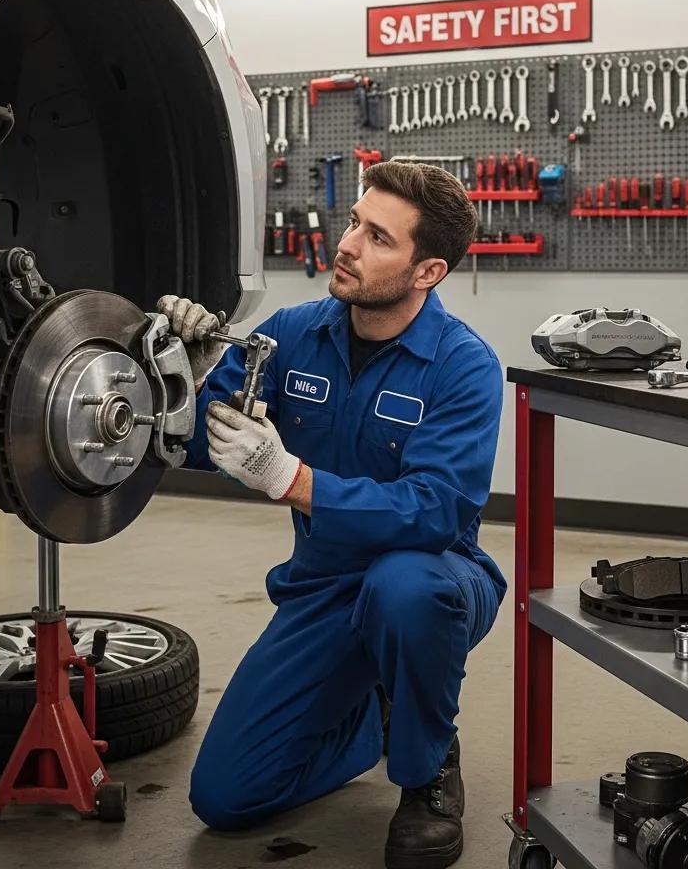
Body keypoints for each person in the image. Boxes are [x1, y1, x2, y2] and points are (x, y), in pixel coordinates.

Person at [159, 161, 505, 869]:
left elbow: (435, 512)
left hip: (437, 578)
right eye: (354, 223)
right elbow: (196, 440)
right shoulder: (291, 336)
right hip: (323, 586)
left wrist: (292, 479)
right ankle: (371, 726)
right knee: (224, 799)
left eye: (378, 237)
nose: (347, 245)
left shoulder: (462, 367)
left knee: (404, 590)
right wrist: (178, 372)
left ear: (427, 271)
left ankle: (426, 768)